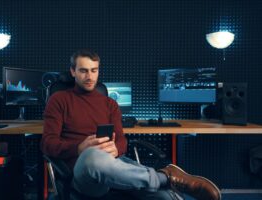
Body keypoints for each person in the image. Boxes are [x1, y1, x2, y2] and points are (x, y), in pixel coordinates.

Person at [41, 49, 221, 200]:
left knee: (165, 197)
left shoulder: (109, 103)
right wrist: (79, 148)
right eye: (83, 70)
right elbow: (47, 144)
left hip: (116, 166)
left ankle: (165, 180)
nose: (89, 76)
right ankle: (166, 176)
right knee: (93, 157)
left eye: (94, 70)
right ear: (73, 71)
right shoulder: (59, 100)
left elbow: (122, 141)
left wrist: (116, 149)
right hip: (84, 173)